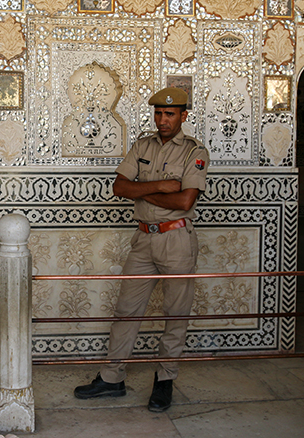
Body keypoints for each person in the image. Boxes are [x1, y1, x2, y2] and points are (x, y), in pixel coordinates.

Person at [73, 87, 209, 413]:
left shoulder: (194, 151)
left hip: (177, 241)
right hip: (143, 240)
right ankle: (112, 377)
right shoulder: (143, 145)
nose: (163, 120)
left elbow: (185, 200)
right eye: (159, 114)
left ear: (183, 116)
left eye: (170, 114)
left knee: (175, 315)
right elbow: (119, 187)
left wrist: (141, 192)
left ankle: (164, 381)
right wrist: (160, 187)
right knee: (126, 311)